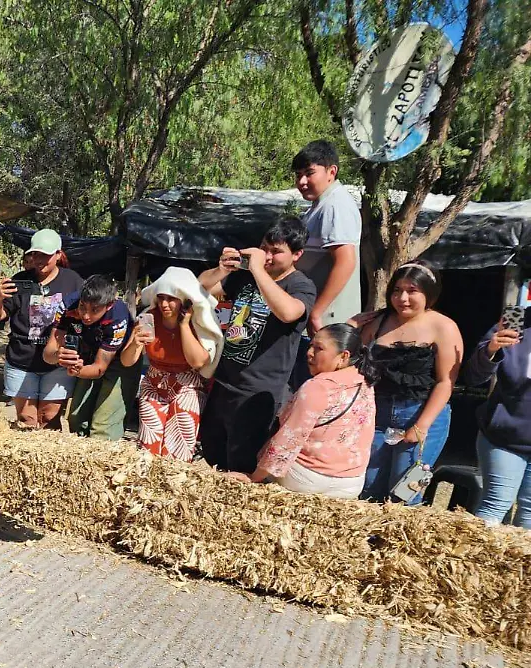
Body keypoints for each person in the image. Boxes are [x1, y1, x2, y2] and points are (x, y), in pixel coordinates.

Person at [197, 216, 317, 473]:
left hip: (257, 394)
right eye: (264, 248)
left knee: (241, 469)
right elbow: (201, 286)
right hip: (223, 384)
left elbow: (288, 313)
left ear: (297, 255)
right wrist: (222, 269)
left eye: (277, 252)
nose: (267, 256)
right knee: (211, 457)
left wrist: (259, 270)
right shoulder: (245, 276)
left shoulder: (301, 285)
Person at [351, 261, 462, 504]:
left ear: (428, 293)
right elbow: (347, 361)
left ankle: (396, 542)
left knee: (403, 493)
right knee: (368, 487)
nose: (403, 298)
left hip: (420, 413)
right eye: (397, 290)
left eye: (412, 291)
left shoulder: (443, 327)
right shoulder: (377, 321)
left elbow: (446, 382)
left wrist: (421, 426)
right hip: (376, 413)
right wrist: (349, 328)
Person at [229, 324, 377, 498]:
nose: (309, 352)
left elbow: (288, 440)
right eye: (310, 346)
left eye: (319, 348)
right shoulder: (365, 383)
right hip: (351, 483)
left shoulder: (318, 386)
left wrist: (255, 478)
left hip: (307, 479)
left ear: (344, 356)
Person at [120, 267, 223, 460]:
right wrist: (135, 343)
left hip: (187, 385)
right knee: (149, 445)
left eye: (171, 299)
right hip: (154, 381)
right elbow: (127, 361)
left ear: (184, 299)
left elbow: (198, 361)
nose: (165, 304)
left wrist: (184, 325)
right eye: (161, 298)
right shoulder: (149, 317)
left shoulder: (197, 322)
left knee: (178, 448)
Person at [0, 229, 83, 430]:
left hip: (57, 363)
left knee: (50, 418)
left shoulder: (73, 281)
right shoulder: (20, 280)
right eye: (35, 254)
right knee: (26, 419)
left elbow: (84, 317)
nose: (39, 260)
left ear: (58, 254)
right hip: (21, 360)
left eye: (45, 255)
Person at [291, 140, 362, 390]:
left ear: (331, 171)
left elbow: (345, 261)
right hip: (313, 323)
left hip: (326, 325)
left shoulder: (335, 205)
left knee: (317, 394)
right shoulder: (319, 207)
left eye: (309, 173)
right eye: (298, 175)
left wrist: (317, 312)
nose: (302, 182)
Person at [462, 305, 531, 527]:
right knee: (495, 504)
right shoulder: (516, 323)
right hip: (504, 437)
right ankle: (476, 561)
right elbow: (473, 377)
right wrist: (491, 350)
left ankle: (520, 563)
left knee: (529, 512)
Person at [42, 275, 130, 440]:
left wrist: (77, 371)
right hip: (88, 354)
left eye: (95, 310)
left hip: (120, 360)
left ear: (109, 305)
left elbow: (99, 369)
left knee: (103, 426)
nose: (86, 315)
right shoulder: (68, 305)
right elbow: (48, 354)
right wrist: (59, 356)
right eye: (83, 307)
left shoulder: (117, 317)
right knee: (76, 418)